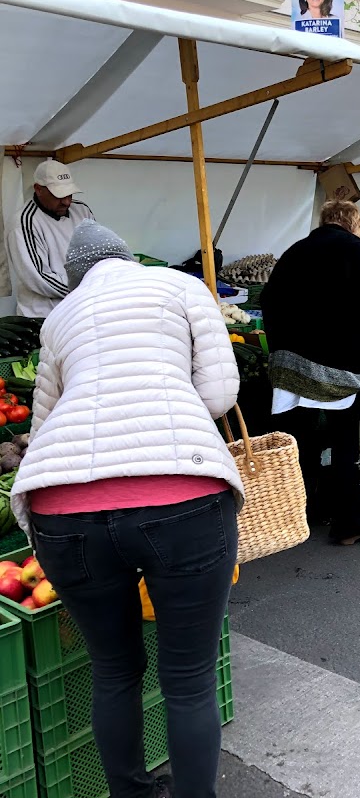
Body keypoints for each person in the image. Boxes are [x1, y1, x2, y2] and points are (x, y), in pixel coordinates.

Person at [11, 220, 243, 798]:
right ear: (125, 259)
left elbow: (41, 429)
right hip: (181, 498)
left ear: (75, 278)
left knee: (114, 669)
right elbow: (218, 395)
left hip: (63, 512)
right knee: (188, 680)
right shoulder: (180, 287)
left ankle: (131, 794)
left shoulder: (60, 318)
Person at [262, 200, 360, 545]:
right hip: (336, 368)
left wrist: (282, 351)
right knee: (344, 441)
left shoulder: (294, 251)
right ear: (354, 224)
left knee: (299, 439)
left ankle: (299, 513)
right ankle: (350, 522)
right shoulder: (355, 249)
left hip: (290, 366)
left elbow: (268, 300)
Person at [5, 160, 93, 317]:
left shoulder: (82, 211)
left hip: (79, 309)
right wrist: (87, 287)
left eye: (69, 194)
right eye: (58, 195)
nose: (66, 201)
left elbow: (94, 253)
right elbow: (39, 278)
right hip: (44, 316)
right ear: (38, 189)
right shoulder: (23, 222)